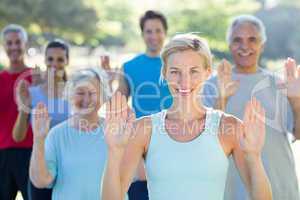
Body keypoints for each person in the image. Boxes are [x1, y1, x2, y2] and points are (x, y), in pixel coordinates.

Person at [101, 33, 272, 200]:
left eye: (193, 71)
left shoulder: (228, 127)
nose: (184, 81)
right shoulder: (144, 129)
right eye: (175, 71)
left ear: (207, 73)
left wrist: (254, 156)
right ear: (165, 73)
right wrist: (114, 152)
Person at [202, 15, 300, 200]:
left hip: (278, 186)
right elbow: (206, 140)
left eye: (252, 39)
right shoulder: (212, 85)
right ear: (229, 45)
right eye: (237, 40)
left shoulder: (280, 84)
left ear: (262, 45)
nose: (244, 46)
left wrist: (296, 101)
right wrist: (221, 99)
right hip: (230, 190)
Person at [101, 10, 171, 200]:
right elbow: (117, 106)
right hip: (141, 145)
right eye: (149, 31)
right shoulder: (130, 66)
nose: (154, 36)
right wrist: (108, 82)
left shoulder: (175, 64)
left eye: (158, 30)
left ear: (165, 32)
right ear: (142, 34)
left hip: (173, 140)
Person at [29, 67, 111, 199]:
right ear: (69, 95)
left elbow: (138, 174)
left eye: (92, 93)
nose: (87, 99)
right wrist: (38, 139)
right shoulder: (56, 135)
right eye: (80, 93)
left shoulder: (115, 131)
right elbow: (41, 181)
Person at [13, 40, 70, 200]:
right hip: (41, 165)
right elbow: (18, 136)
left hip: (69, 168)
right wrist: (24, 106)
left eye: (60, 59)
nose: (55, 64)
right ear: (45, 60)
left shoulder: (75, 93)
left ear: (67, 61)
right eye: (50, 59)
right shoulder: (32, 93)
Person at [0, 24, 33, 200]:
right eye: (9, 43)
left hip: (30, 152)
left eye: (18, 42)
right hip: (2, 153)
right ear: (4, 45)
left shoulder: (36, 78)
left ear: (25, 43)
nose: (14, 47)